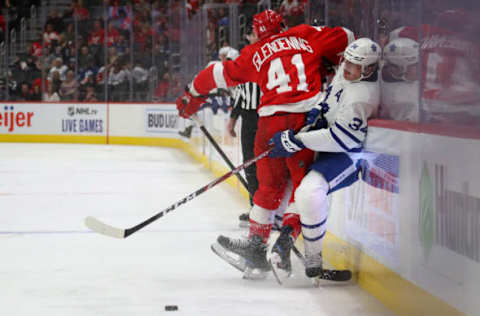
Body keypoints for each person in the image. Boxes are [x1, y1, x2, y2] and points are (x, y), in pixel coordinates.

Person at [176, 9, 354, 278]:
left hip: (268, 123)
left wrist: (192, 96)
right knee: (301, 185)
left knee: (270, 186)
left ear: (256, 33)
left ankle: (257, 247)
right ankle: (284, 242)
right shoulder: (305, 33)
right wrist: (330, 63)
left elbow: (214, 73)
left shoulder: (252, 53)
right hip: (303, 120)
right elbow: (347, 36)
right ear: (282, 24)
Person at [267, 38, 381, 279]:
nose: (347, 66)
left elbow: (343, 139)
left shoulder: (364, 95)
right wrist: (316, 113)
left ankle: (313, 257)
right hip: (328, 146)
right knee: (301, 189)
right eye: (346, 60)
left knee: (309, 192)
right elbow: (330, 98)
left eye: (355, 64)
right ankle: (291, 235)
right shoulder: (349, 74)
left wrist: (298, 140)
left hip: (350, 154)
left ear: (369, 69)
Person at [379, 37, 420, 121]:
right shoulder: (376, 86)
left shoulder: (423, 81)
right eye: (415, 65)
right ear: (400, 68)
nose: (420, 68)